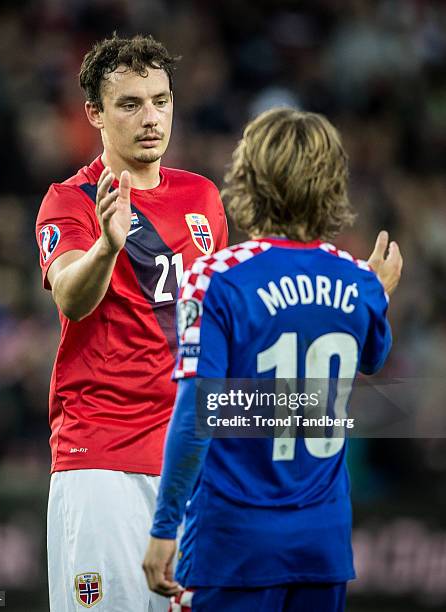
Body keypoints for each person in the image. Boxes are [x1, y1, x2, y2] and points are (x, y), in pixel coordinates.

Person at [143, 108, 403, 611]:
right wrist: (377, 293)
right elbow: (375, 356)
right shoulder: (357, 281)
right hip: (322, 545)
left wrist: (163, 526)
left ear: (248, 179)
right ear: (331, 185)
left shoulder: (216, 278)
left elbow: (196, 413)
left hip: (232, 545)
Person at [35, 34, 228, 611]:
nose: (152, 118)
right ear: (94, 113)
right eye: (130, 104)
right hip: (102, 462)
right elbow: (71, 296)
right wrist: (107, 248)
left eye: (161, 100)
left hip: (189, 464)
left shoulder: (203, 198)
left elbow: (214, 326)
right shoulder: (70, 201)